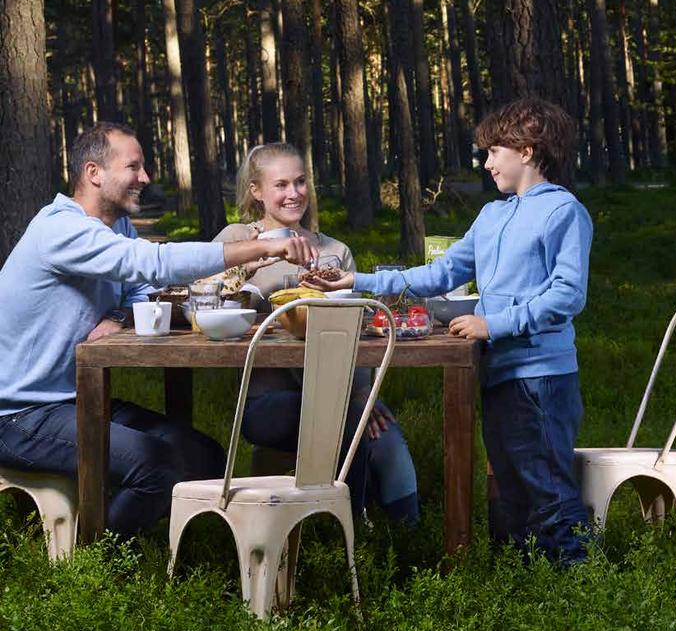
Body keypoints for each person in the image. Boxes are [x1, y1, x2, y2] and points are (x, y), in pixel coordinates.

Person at [0, 122, 319, 536]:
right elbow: (155, 265)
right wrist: (261, 245)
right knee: (158, 464)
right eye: (134, 167)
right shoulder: (60, 229)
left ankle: (175, 547)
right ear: (93, 173)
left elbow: (144, 289)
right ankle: (94, 565)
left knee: (202, 455)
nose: (146, 178)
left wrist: (116, 316)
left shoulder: (115, 227)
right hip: (18, 415)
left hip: (70, 399)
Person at [336, 98, 593, 564]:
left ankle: (584, 592)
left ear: (528, 151)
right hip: (499, 374)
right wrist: (358, 282)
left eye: (495, 152)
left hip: (540, 377)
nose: (487, 163)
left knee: (548, 491)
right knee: (512, 491)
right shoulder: (494, 216)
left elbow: (567, 296)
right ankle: (536, 593)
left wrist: (492, 324)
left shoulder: (563, 212)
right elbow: (439, 274)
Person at [215, 143, 418, 524]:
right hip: (267, 400)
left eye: (300, 181)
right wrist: (251, 268)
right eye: (281, 185)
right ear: (256, 191)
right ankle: (345, 535)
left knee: (387, 442)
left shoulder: (335, 251)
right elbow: (205, 297)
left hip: (338, 390)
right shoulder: (239, 239)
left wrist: (361, 394)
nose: (294, 193)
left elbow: (354, 332)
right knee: (349, 422)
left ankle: (403, 544)